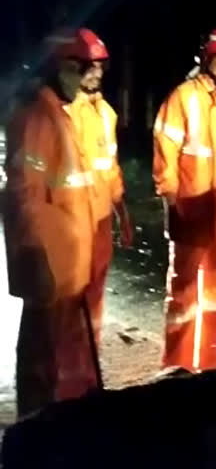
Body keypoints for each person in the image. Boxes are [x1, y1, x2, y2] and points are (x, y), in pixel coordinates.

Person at [4, 27, 131, 416]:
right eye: (75, 68)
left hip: (64, 266)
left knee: (54, 351)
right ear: (54, 70)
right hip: (50, 268)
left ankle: (53, 417)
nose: (83, 77)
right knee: (40, 358)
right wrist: (35, 257)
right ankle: (34, 430)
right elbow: (24, 195)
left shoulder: (55, 115)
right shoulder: (38, 120)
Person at [153, 26, 216, 372]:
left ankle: (209, 361)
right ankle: (177, 363)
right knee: (184, 291)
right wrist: (170, 201)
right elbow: (165, 154)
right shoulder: (183, 98)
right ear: (208, 57)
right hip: (191, 208)